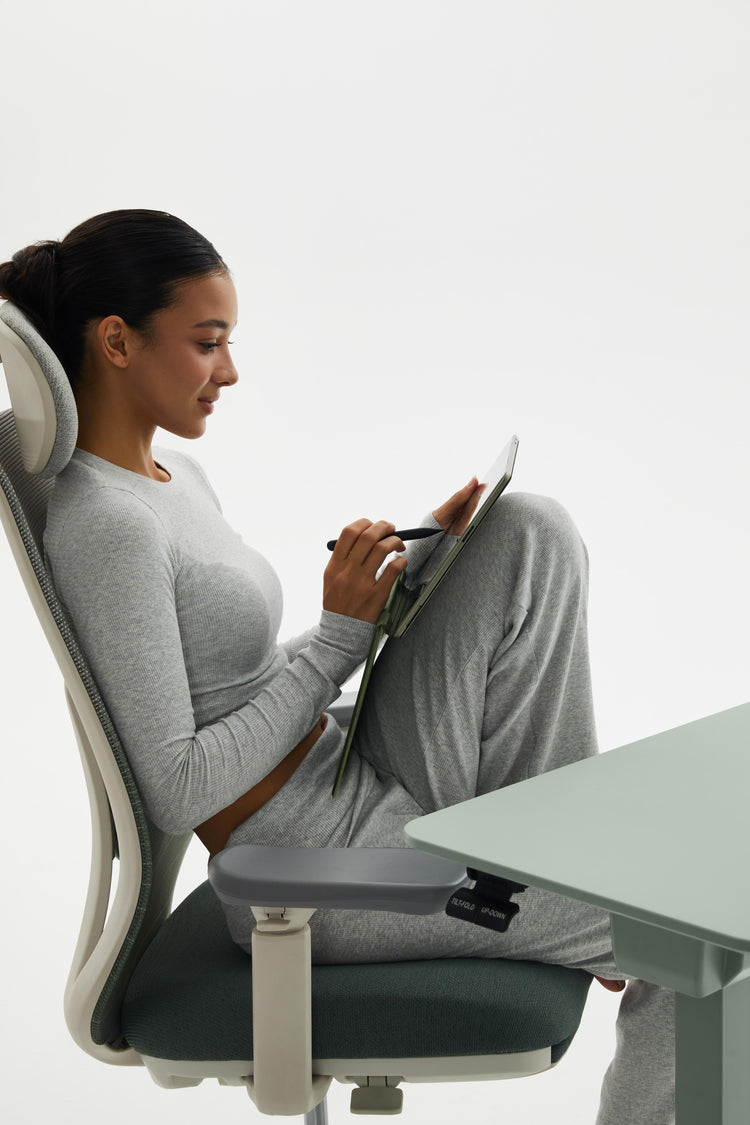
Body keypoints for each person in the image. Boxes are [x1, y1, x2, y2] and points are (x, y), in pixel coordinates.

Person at [0, 210, 674, 1124]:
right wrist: (337, 640)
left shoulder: (168, 481)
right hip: (314, 865)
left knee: (525, 532)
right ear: (117, 340)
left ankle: (557, 867)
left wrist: (408, 585)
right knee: (703, 917)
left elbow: (236, 680)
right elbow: (174, 785)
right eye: (207, 344)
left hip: (351, 765)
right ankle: (574, 889)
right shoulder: (105, 525)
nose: (229, 372)